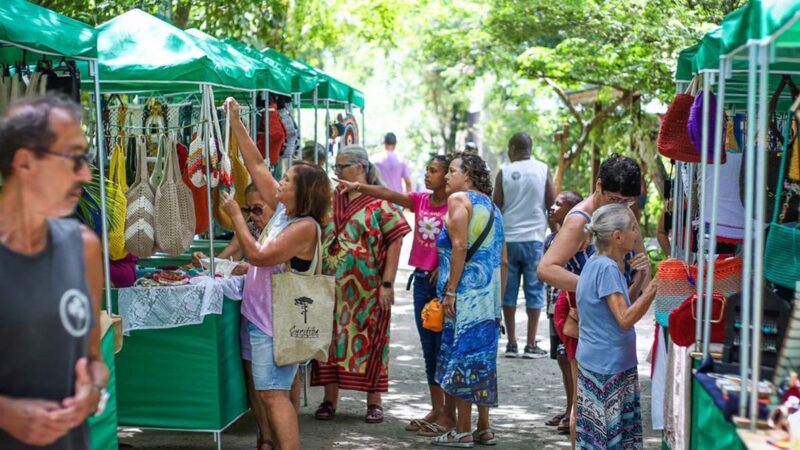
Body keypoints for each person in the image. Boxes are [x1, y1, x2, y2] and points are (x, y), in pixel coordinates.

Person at [0, 95, 109, 449]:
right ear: (25, 162)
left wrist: (92, 391)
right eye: (75, 158)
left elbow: (94, 359)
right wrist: (7, 414)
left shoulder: (84, 247)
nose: (86, 174)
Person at [224, 97, 331, 450]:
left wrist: (236, 216)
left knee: (273, 395)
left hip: (275, 324)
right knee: (270, 392)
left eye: (285, 180)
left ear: (301, 191)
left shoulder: (303, 227)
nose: (278, 183)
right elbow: (255, 163)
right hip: (262, 319)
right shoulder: (286, 212)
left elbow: (257, 255)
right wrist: (236, 121)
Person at [335, 154, 455, 436]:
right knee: (429, 348)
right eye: (426, 169)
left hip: (443, 285)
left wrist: (444, 266)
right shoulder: (421, 201)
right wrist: (360, 187)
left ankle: (450, 414)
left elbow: (462, 242)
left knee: (444, 348)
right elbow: (388, 193)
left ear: (447, 175)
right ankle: (436, 409)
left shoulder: (456, 204)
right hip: (422, 281)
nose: (427, 175)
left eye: (434, 171)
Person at [537, 154, 651, 449]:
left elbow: (640, 265)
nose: (621, 206)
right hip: (584, 317)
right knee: (586, 404)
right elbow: (546, 268)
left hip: (614, 319)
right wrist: (596, 288)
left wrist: (637, 282)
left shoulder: (622, 215)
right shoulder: (579, 221)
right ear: (598, 185)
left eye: (627, 202)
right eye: (614, 198)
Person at [311, 145, 411, 424]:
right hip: (330, 287)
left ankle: (374, 402)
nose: (337, 172)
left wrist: (387, 283)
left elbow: (396, 240)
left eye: (342, 167)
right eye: (336, 167)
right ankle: (330, 399)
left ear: (361, 167)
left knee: (372, 340)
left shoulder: (379, 201)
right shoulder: (328, 200)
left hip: (368, 289)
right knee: (330, 342)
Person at [191, 183, 277, 449]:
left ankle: (281, 437)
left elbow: (261, 260)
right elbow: (227, 257)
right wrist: (205, 261)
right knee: (255, 379)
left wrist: (244, 266)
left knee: (283, 383)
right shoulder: (249, 228)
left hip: (281, 314)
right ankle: (265, 437)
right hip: (254, 312)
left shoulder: (289, 229)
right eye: (247, 209)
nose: (252, 215)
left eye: (258, 209)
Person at [431, 153, 506, 448]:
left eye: (452, 171)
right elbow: (502, 259)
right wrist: (497, 303)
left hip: (464, 295)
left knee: (461, 355)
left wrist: (450, 291)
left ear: (469, 174)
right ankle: (483, 428)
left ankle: (462, 430)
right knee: (482, 359)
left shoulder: (460, 200)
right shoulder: (494, 208)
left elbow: (460, 245)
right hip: (488, 297)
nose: (447, 176)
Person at [575, 204, 657, 450]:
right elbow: (624, 319)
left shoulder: (596, 263)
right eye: (633, 229)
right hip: (608, 367)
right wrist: (654, 287)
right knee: (610, 439)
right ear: (617, 236)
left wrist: (641, 279)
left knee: (601, 437)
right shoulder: (608, 268)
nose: (637, 234)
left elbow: (617, 309)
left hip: (602, 362)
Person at [493, 132, 555, 358]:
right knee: (534, 290)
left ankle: (511, 344)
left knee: (508, 291)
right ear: (530, 147)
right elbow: (551, 202)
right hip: (534, 239)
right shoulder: (542, 169)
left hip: (508, 241)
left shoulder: (505, 171)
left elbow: (496, 205)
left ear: (511, 148)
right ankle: (530, 344)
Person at [543, 190, 583, 434]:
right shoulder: (550, 239)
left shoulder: (577, 239)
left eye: (559, 204)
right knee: (560, 357)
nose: (553, 207)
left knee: (570, 357)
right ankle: (569, 406)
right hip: (553, 306)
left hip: (570, 306)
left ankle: (574, 411)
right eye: (553, 203)